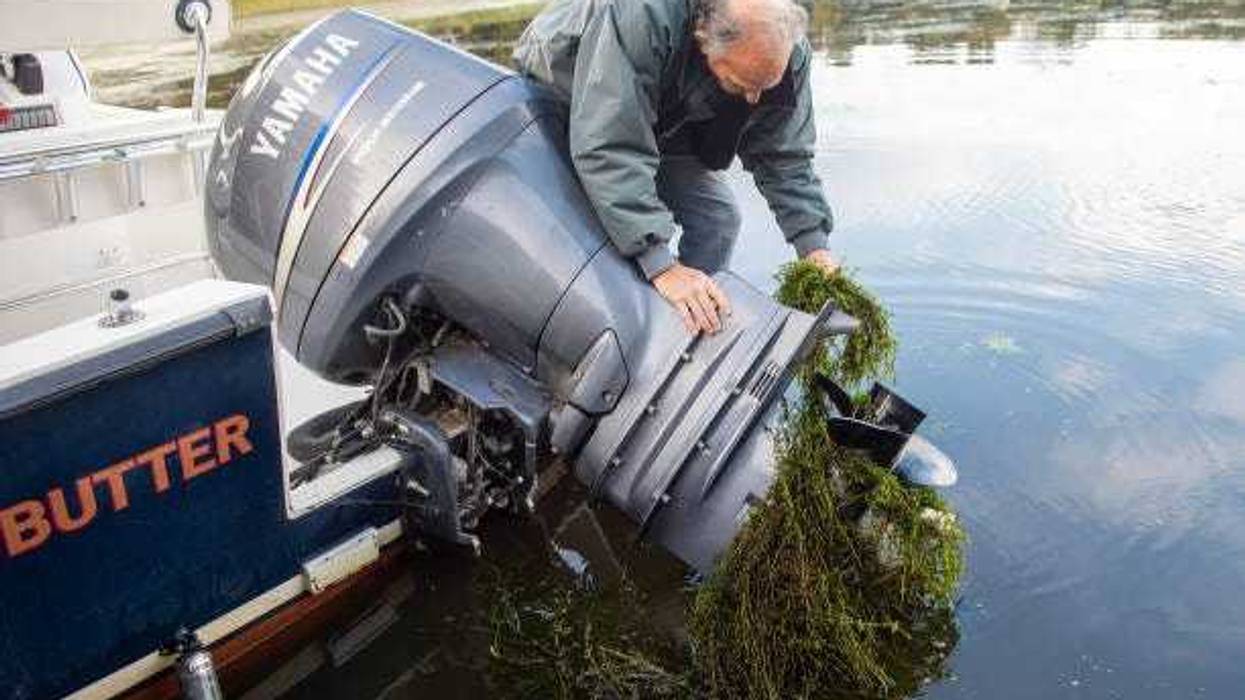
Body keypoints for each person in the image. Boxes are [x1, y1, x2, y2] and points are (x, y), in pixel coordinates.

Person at [514, 0, 840, 335]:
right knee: (604, 222)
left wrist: (813, 246)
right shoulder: (644, 13)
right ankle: (626, 328)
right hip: (566, 86)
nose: (755, 99)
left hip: (667, 100)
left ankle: (691, 327)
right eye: (741, 84)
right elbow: (609, 140)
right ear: (703, 36)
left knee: (718, 218)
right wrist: (660, 264)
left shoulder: (782, 49)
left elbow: (783, 154)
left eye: (764, 86)